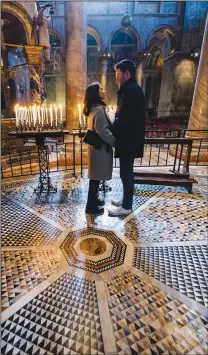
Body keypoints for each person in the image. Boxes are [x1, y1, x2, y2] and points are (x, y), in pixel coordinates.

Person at [108, 59, 145, 216]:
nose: (116, 79)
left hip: (129, 140)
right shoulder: (129, 90)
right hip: (128, 139)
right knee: (126, 172)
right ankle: (125, 200)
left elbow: (125, 118)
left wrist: (112, 122)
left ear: (127, 74)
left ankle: (126, 207)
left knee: (126, 173)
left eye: (118, 75)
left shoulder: (133, 91)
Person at [84, 82, 115, 214]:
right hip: (100, 148)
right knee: (95, 178)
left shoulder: (92, 108)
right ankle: (91, 206)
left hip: (95, 148)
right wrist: (115, 142)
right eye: (101, 89)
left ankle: (94, 201)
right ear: (95, 94)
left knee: (95, 177)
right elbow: (102, 130)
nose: (104, 91)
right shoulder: (99, 109)